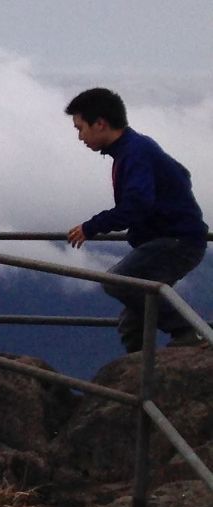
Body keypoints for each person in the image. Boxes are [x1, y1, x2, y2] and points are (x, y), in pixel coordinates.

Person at [63, 88, 207, 352]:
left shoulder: (134, 152)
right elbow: (181, 174)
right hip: (176, 238)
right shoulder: (136, 147)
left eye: (80, 128)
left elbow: (136, 205)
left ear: (101, 124)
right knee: (132, 323)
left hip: (176, 242)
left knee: (117, 281)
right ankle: (140, 380)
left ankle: (187, 332)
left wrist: (91, 227)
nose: (80, 137)